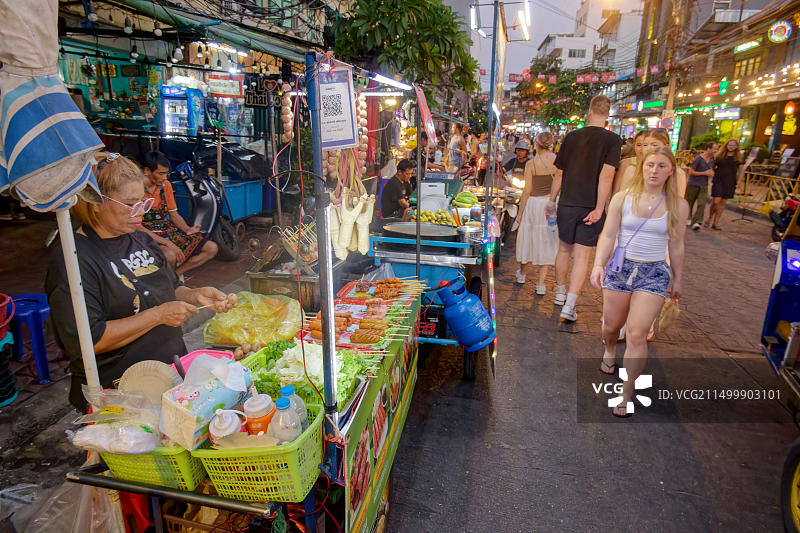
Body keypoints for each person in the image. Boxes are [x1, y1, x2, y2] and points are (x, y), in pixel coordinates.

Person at [45, 153, 236, 410]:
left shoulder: (141, 239)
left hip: (170, 377)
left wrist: (194, 295)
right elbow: (89, 341)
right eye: (130, 204)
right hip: (121, 393)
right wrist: (157, 315)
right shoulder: (74, 259)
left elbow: (170, 288)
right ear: (95, 202)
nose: (140, 213)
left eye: (143, 203)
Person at [590, 147, 688, 417]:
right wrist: (598, 264)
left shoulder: (678, 205)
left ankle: (626, 392)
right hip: (621, 270)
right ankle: (609, 349)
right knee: (611, 327)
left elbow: (677, 245)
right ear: (642, 168)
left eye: (661, 166)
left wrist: (678, 277)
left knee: (635, 333)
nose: (654, 171)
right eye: (650, 165)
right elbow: (608, 235)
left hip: (654, 273)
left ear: (671, 171)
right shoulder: (623, 198)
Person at [547, 94, 622, 322]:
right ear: (607, 115)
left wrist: (552, 200)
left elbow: (560, 173)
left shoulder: (571, 137)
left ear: (588, 112)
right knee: (582, 257)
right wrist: (600, 207)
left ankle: (560, 293)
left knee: (563, 250)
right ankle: (569, 305)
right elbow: (607, 175)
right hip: (590, 206)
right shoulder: (613, 140)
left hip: (567, 202)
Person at [140, 151, 218, 276]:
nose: (165, 178)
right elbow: (137, 227)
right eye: (161, 173)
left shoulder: (166, 186)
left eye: (166, 173)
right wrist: (168, 243)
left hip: (167, 230)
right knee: (170, 256)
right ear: (147, 171)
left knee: (211, 248)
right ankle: (167, 279)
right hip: (146, 236)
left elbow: (174, 215)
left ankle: (175, 276)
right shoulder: (136, 190)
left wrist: (188, 230)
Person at [513, 132, 558, 293]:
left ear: (536, 145)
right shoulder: (558, 162)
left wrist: (520, 213)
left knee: (528, 238)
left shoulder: (531, 164)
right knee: (547, 240)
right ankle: (541, 284)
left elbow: (527, 191)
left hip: (533, 204)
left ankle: (522, 274)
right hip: (551, 204)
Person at [616, 129, 687, 196]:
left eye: (654, 145)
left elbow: (678, 202)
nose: (648, 148)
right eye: (645, 145)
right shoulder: (631, 170)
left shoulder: (678, 173)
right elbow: (621, 197)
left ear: (666, 146)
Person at [705, 138, 743, 230]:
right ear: (726, 145)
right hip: (718, 179)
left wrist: (739, 182)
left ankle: (716, 222)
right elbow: (712, 166)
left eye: (733, 145)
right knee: (716, 201)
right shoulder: (720, 155)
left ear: (737, 146)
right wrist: (712, 174)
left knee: (723, 202)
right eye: (730, 145)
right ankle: (709, 218)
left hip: (730, 181)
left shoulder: (738, 157)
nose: (731, 147)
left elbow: (741, 171)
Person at [685, 142, 718, 230]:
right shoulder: (698, 159)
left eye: (717, 149)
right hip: (693, 184)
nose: (716, 151)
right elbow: (690, 172)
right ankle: (688, 217)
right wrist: (704, 173)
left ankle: (697, 221)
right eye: (714, 149)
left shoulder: (712, 160)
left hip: (704, 185)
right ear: (709, 149)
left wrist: (711, 174)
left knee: (702, 203)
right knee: (689, 202)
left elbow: (711, 169)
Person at [612, 130, 649, 197]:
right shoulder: (625, 163)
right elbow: (616, 190)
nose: (642, 148)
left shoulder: (657, 166)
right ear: (634, 145)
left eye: (646, 145)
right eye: (639, 145)